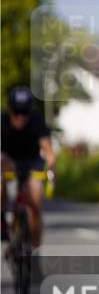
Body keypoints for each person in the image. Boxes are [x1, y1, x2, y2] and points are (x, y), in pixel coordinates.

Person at [1, 86, 57, 250]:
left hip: (32, 164)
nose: (20, 117)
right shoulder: (2, 121)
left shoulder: (37, 121)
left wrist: (52, 168)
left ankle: (35, 250)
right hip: (8, 163)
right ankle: (2, 220)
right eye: (16, 112)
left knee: (36, 196)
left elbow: (48, 150)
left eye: (24, 112)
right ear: (9, 110)